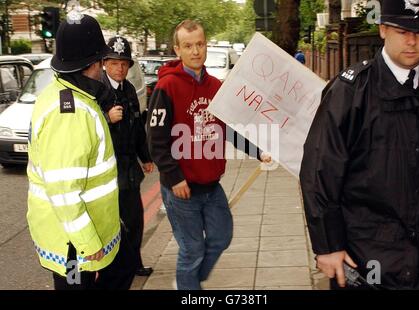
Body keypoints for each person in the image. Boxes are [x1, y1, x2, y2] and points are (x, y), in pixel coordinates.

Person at [300, 0, 419, 290]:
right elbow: (319, 171)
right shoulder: (351, 92)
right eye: (401, 30)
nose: (411, 40)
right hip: (366, 262)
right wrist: (328, 245)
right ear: (382, 29)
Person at [147, 19, 271, 290]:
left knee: (221, 238)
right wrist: (175, 177)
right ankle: (189, 287)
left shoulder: (215, 86)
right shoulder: (165, 88)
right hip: (181, 189)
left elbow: (228, 129)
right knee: (191, 250)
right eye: (188, 46)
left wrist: (258, 151)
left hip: (211, 185)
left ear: (206, 45)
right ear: (177, 50)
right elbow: (155, 141)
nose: (195, 51)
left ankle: (187, 281)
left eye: (200, 44)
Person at [27, 14, 121, 289]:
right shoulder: (71, 113)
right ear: (93, 64)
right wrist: (88, 243)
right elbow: (65, 191)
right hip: (74, 245)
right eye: (103, 61)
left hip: (76, 235)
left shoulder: (62, 93)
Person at [100, 35, 154, 277]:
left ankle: (134, 262)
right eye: (114, 63)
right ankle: (113, 269)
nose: (119, 68)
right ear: (105, 64)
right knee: (112, 224)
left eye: (123, 64)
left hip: (129, 169)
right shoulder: (96, 91)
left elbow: (137, 128)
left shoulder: (129, 90)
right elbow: (87, 130)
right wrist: (106, 119)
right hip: (107, 171)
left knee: (134, 219)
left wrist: (146, 157)